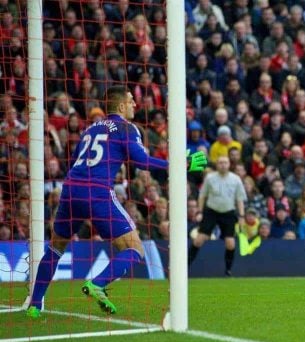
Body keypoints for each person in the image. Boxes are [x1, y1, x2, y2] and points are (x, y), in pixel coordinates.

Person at [26, 86, 208, 318]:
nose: (135, 104)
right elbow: (141, 161)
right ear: (121, 106)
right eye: (131, 100)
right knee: (135, 248)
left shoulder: (90, 129)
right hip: (97, 192)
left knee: (56, 248)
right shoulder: (126, 128)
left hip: (70, 189)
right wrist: (181, 164)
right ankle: (97, 283)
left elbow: (74, 161)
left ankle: (35, 304)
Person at [188, 156, 247, 276]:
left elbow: (240, 199)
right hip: (211, 211)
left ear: (230, 164)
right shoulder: (210, 178)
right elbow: (202, 196)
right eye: (220, 162)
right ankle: (185, 267)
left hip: (228, 212)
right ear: (217, 164)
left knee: (230, 243)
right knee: (199, 240)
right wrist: (200, 211)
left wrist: (241, 216)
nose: (223, 165)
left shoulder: (235, 179)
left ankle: (228, 271)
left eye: (225, 162)